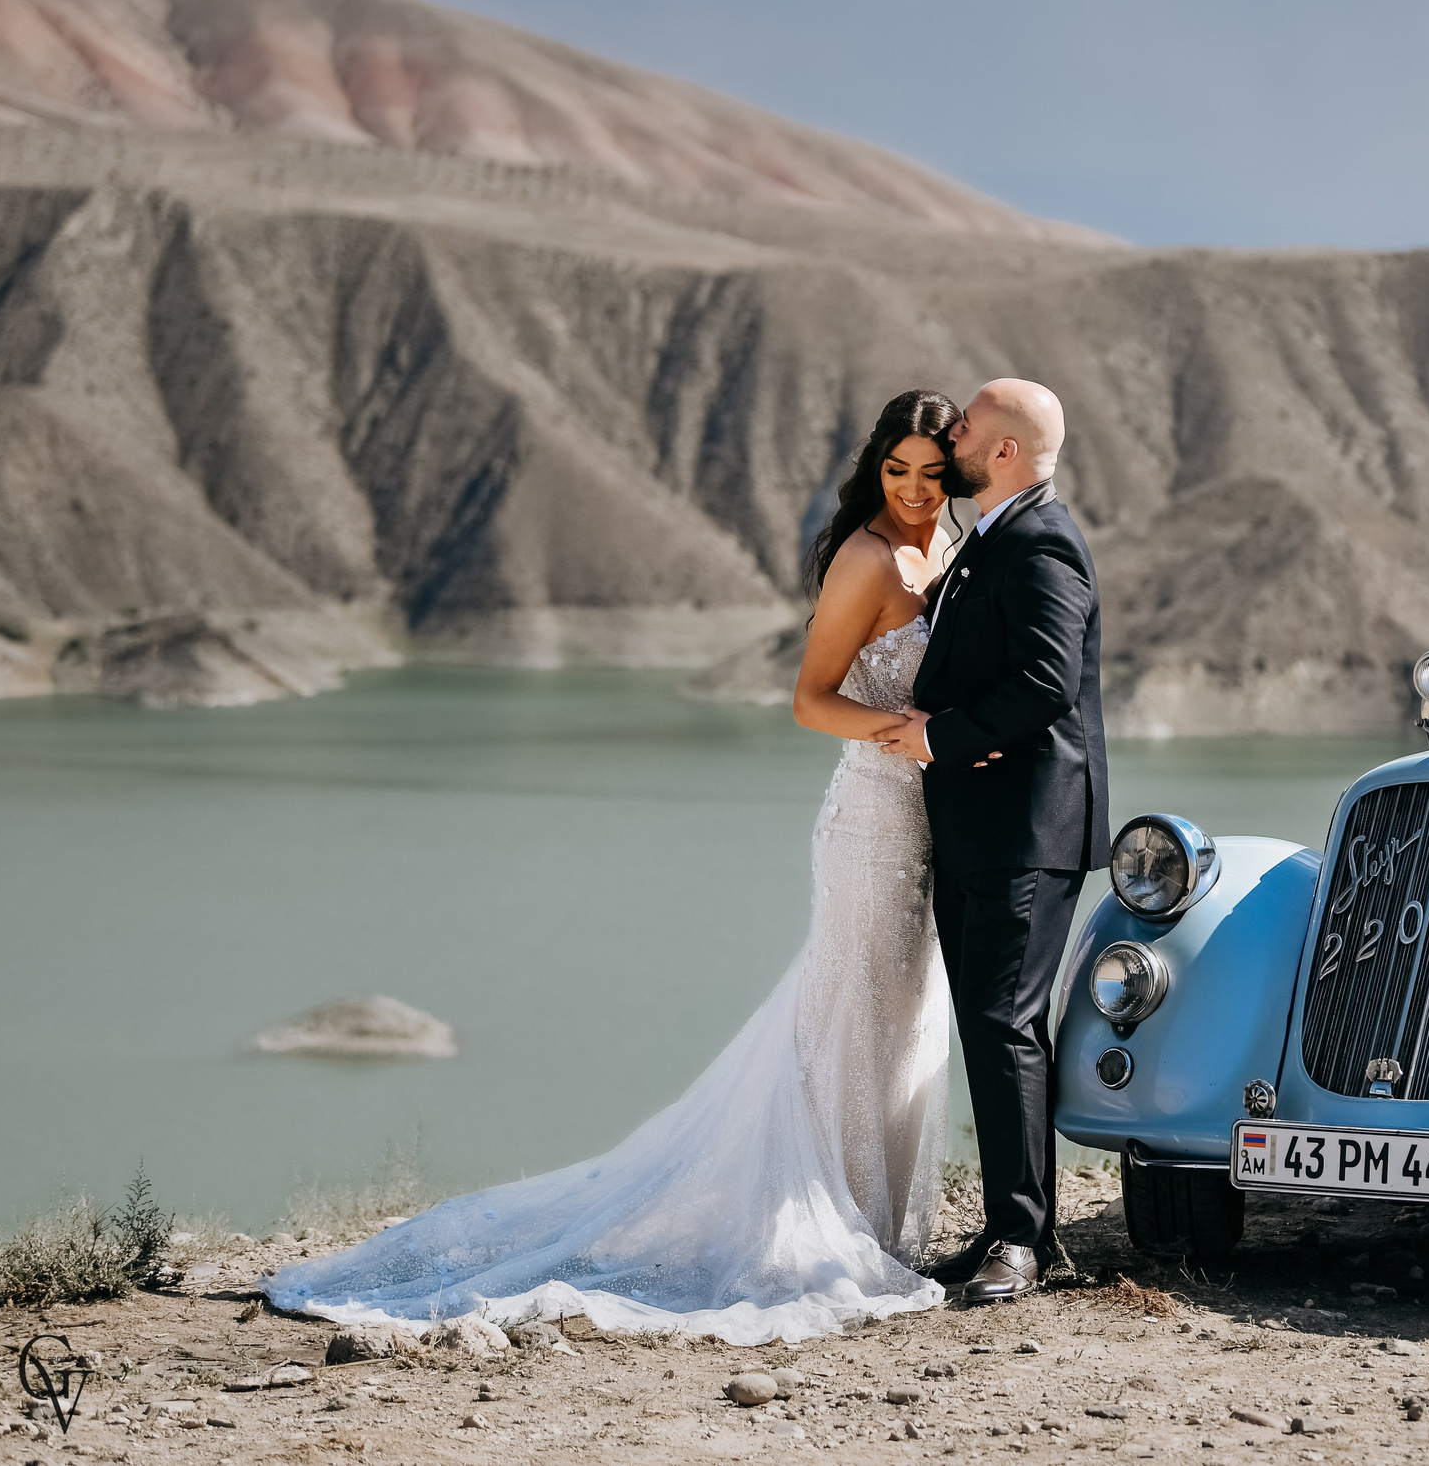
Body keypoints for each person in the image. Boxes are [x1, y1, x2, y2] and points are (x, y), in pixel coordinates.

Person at [259, 390, 966, 1345]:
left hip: (935, 823)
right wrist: (906, 732)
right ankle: (821, 1224)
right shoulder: (865, 558)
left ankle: (873, 1224)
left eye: (931, 473)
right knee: (849, 1016)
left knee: (905, 1021)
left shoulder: (952, 550)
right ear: (873, 469)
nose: (915, 490)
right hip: (872, 823)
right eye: (897, 471)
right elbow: (808, 701)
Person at [882, 378, 1110, 1305]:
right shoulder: (994, 537)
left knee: (1004, 1022)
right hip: (981, 824)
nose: (955, 435)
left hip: (1027, 826)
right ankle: (1010, 1227)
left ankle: (1021, 1242)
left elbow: (1048, 684)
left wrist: (937, 735)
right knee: (990, 1023)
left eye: (969, 426)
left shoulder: (1043, 538)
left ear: (1005, 452)